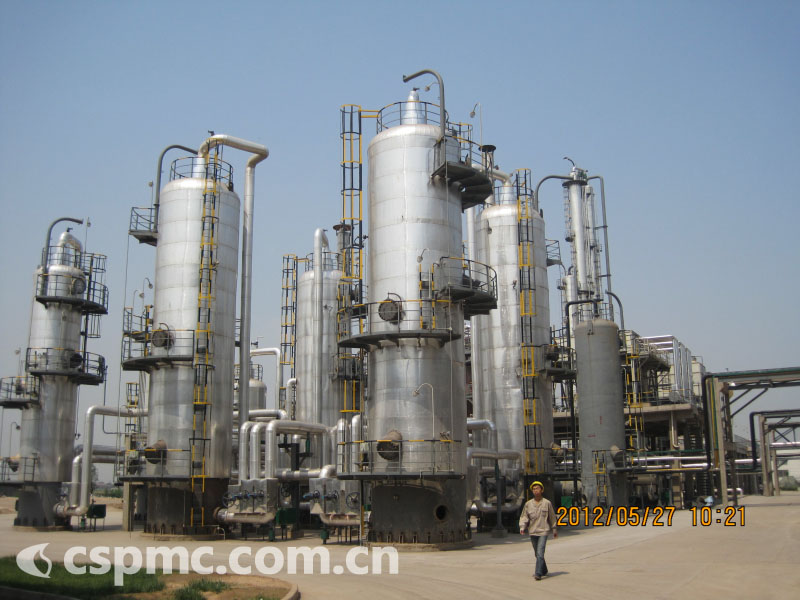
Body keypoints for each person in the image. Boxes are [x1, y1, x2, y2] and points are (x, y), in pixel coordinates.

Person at [519, 480, 557, 580]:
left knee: (540, 553)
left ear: (542, 490)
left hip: (543, 531)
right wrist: (522, 527)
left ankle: (538, 573)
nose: (535, 490)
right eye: (534, 489)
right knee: (537, 554)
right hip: (533, 532)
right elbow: (524, 516)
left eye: (537, 488)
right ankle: (544, 570)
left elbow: (552, 517)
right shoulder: (528, 504)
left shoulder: (547, 503)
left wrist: (554, 529)